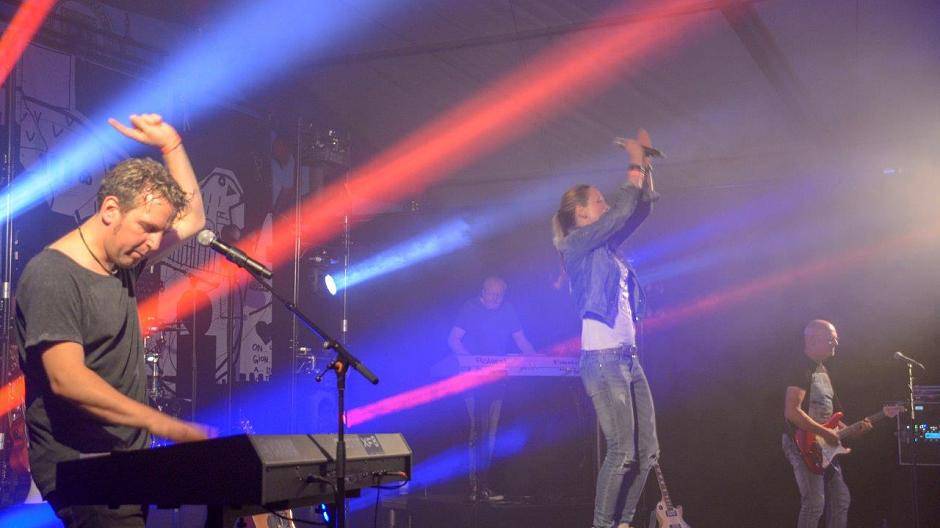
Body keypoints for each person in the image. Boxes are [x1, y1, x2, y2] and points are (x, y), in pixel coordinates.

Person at [14, 114, 213, 527]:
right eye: (147, 228)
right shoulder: (53, 275)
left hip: (122, 461)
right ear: (110, 210)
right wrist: (164, 424)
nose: (154, 243)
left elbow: (193, 220)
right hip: (83, 469)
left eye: (159, 231)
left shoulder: (123, 261)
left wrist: (171, 144)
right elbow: (67, 379)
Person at [552, 129, 659, 528]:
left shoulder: (606, 248)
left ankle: (624, 523)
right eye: (599, 201)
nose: (607, 204)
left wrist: (644, 165)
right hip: (603, 361)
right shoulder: (577, 244)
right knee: (622, 451)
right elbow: (621, 213)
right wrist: (632, 163)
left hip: (629, 360)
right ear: (581, 214)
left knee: (648, 453)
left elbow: (638, 212)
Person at [447, 276, 536, 501]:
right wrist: (471, 361)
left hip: (497, 379)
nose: (496, 299)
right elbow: (453, 339)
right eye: (492, 294)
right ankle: (474, 487)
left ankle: (485, 485)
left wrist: (537, 359)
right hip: (473, 379)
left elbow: (521, 340)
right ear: (483, 291)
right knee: (477, 430)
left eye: (500, 295)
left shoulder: (508, 309)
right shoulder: (470, 307)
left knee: (492, 431)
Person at [782, 319, 872, 528]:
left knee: (840, 500)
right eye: (831, 339)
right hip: (801, 443)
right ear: (812, 340)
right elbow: (792, 412)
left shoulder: (823, 371)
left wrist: (853, 430)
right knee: (814, 504)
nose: (836, 343)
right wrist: (825, 432)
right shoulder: (801, 368)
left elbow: (831, 419)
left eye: (836, 339)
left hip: (822, 445)